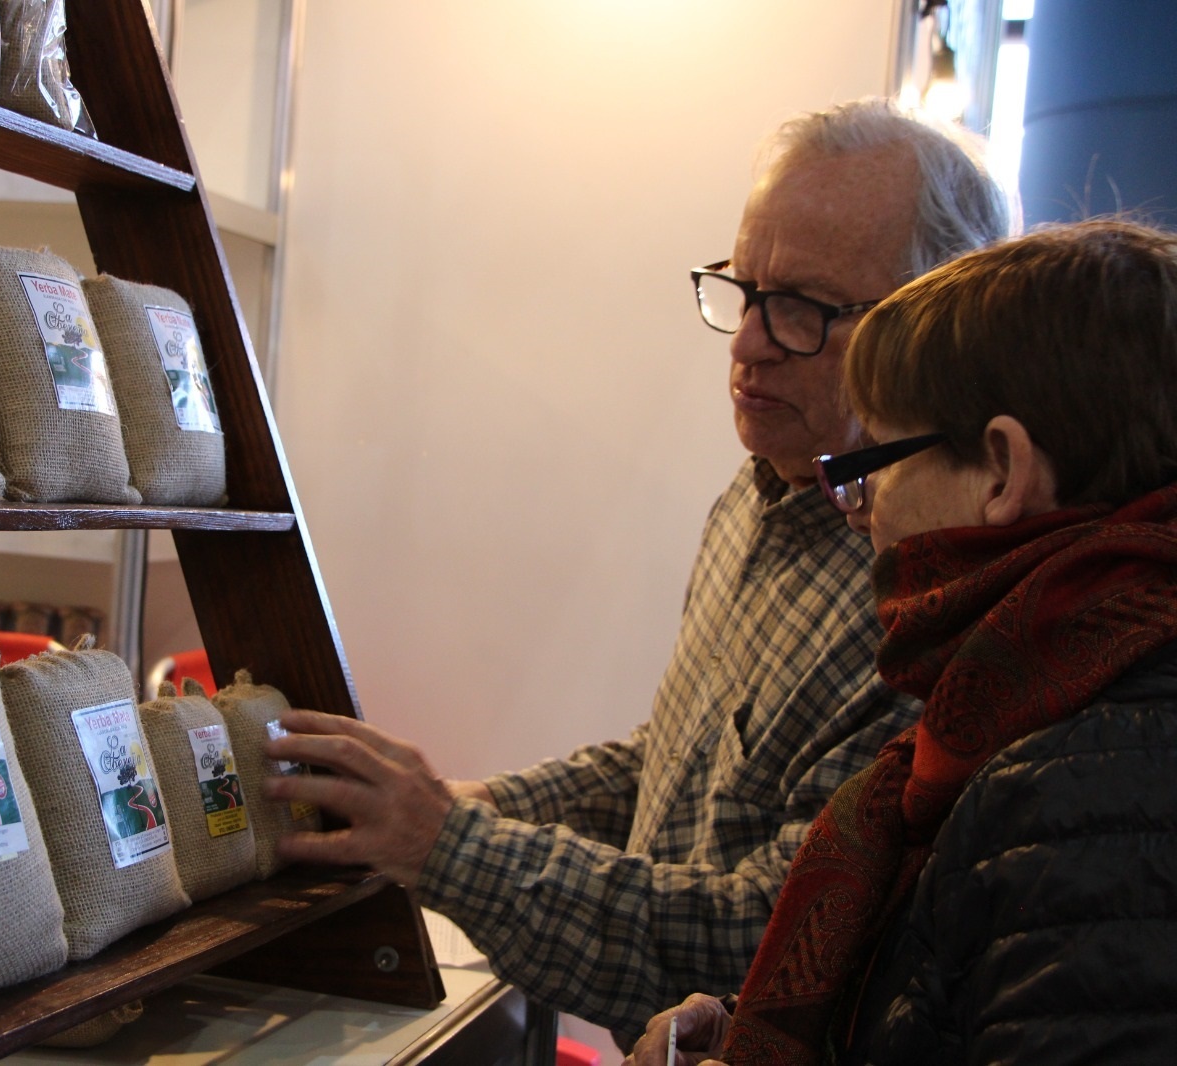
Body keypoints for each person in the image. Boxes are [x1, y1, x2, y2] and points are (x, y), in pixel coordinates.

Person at [262, 98, 1011, 1047]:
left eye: (803, 310)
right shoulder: (756, 494)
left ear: (928, 327)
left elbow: (768, 940)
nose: (746, 344)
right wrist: (476, 806)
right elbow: (680, 763)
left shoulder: (928, 585)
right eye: (744, 290)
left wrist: (448, 845)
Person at [625, 219, 1177, 1066]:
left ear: (1002, 471)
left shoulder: (1086, 782)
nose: (862, 511)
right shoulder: (1044, 707)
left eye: (877, 460)